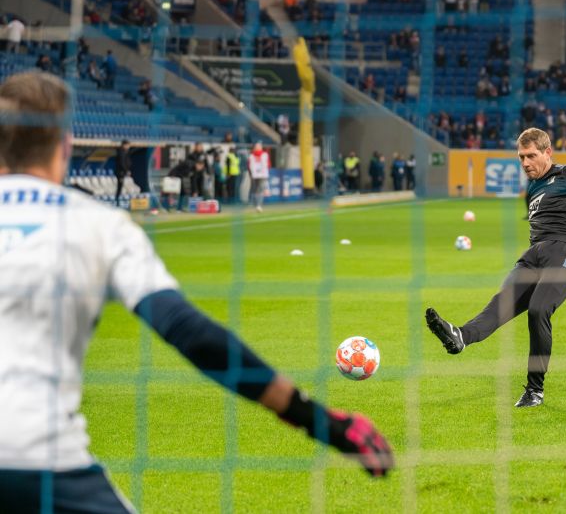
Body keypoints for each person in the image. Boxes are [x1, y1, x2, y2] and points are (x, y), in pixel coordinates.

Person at [0, 73, 392, 511]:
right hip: (45, 462)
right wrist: (316, 420)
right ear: (65, 146)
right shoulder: (98, 225)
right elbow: (190, 332)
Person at [425, 127, 566, 407]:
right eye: (521, 157)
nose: (525, 163)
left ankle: (534, 390)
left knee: (538, 309)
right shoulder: (534, 188)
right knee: (501, 303)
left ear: (547, 152)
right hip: (535, 254)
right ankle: (460, 336)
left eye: (531, 155)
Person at [248, 142, 270, 211]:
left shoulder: (252, 155)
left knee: (258, 190)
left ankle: (257, 204)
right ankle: (257, 204)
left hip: (259, 175)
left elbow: (268, 164)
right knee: (257, 190)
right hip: (258, 175)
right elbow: (268, 164)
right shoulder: (264, 155)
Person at [114, 140, 132, 207]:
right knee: (119, 186)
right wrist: (126, 170)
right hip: (120, 172)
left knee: (120, 186)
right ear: (124, 145)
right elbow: (122, 163)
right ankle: (117, 201)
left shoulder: (125, 152)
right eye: (127, 145)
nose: (128, 147)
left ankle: (118, 200)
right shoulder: (121, 152)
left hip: (122, 172)